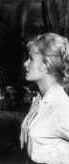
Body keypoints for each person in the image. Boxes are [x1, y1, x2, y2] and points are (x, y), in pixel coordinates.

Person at [20, 33, 69, 164]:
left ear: (47, 64)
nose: (26, 63)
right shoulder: (41, 100)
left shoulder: (60, 106)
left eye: (31, 58)